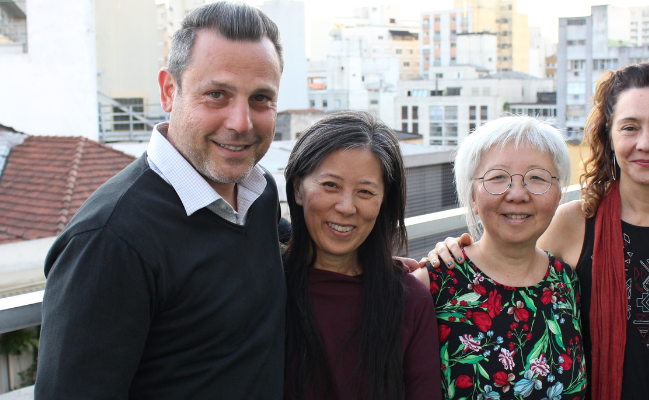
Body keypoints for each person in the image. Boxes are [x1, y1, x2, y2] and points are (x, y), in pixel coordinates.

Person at [429, 63, 649, 400]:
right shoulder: (570, 224)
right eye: (630, 127)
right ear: (609, 134)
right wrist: (452, 252)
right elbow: (508, 268)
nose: (646, 143)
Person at [36, 2, 288, 398]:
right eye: (217, 94)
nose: (241, 122)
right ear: (170, 92)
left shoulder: (259, 192)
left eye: (260, 98)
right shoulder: (110, 241)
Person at [412, 116, 586, 400]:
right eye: (498, 178)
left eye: (537, 178)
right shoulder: (432, 285)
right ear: (472, 197)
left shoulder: (567, 282)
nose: (517, 194)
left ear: (557, 196)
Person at [282, 111, 441, 400]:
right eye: (330, 185)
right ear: (298, 189)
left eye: (365, 192)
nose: (346, 207)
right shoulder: (266, 285)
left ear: (383, 202)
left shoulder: (410, 300)